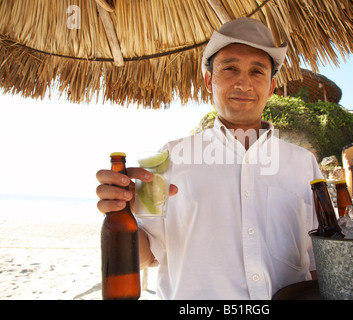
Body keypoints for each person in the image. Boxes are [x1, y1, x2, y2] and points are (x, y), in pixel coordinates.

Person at [96, 17, 323, 300]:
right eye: (230, 68)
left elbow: (319, 262)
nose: (244, 82)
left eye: (257, 71)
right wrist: (121, 211)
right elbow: (145, 256)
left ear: (272, 86)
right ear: (208, 80)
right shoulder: (164, 159)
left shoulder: (303, 164)